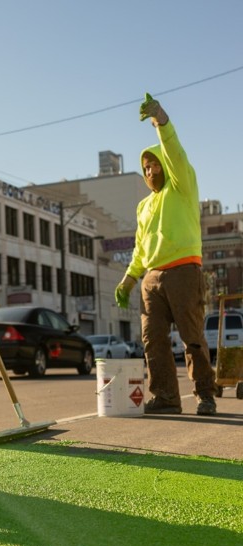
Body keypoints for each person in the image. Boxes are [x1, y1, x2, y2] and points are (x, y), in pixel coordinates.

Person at [115, 93, 216, 416]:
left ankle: (205, 395)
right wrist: (129, 279)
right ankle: (166, 398)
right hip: (152, 278)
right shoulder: (144, 206)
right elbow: (141, 248)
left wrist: (160, 118)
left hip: (185, 271)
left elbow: (174, 152)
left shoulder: (182, 186)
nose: (150, 170)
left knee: (192, 337)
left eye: (154, 164)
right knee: (152, 341)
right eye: (145, 167)